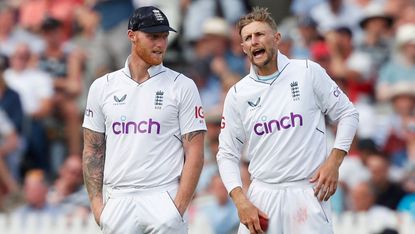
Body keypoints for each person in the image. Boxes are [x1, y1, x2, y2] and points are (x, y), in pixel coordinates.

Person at [216, 7, 359, 234]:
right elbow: (226, 153)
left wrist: (334, 161)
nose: (254, 42)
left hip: (306, 192)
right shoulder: (237, 94)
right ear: (243, 47)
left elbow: (348, 114)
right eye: (247, 38)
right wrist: (240, 200)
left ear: (277, 38)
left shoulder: (307, 72)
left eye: (260, 34)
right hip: (262, 195)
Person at [82, 6, 206, 234]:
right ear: (132, 35)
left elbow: (195, 151)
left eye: (164, 37)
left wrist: (176, 208)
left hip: (163, 196)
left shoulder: (182, 86)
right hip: (117, 199)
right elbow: (92, 149)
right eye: (152, 37)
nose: (160, 44)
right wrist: (98, 207)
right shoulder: (102, 86)